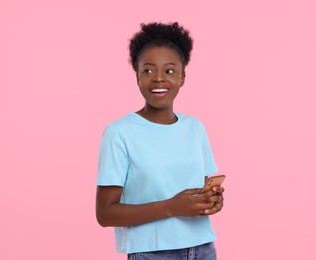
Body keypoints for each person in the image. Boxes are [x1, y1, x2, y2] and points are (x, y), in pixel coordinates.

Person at [95, 22, 224, 260]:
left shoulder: (195, 128)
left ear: (183, 77)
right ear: (137, 76)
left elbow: (203, 189)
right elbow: (105, 213)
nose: (159, 79)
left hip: (203, 247)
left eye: (170, 71)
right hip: (151, 253)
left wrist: (213, 201)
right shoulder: (120, 133)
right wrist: (171, 207)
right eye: (148, 70)